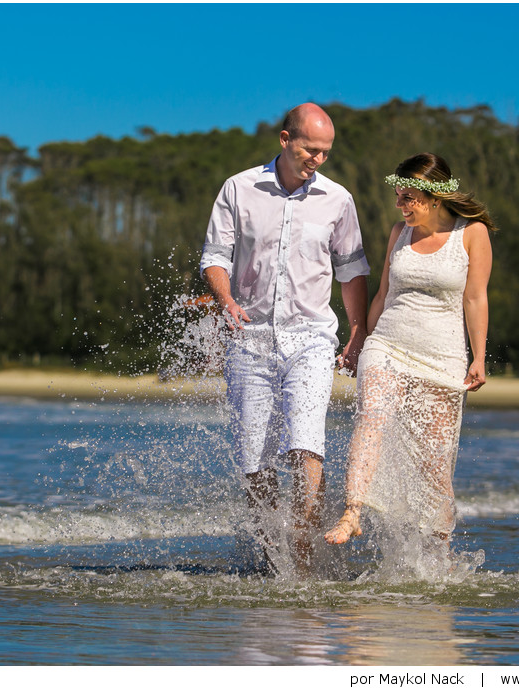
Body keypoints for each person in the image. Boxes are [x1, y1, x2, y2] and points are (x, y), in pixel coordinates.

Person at [199, 103, 371, 573]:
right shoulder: (239, 188)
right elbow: (214, 255)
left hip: (311, 338)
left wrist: (357, 332)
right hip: (249, 338)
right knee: (253, 458)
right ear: (284, 139)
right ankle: (270, 559)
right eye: (310, 149)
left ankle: (303, 558)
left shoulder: (338, 200)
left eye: (325, 152)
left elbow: (351, 271)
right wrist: (225, 299)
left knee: (305, 444)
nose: (317, 159)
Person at [324, 152, 495, 547]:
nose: (400, 205)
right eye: (398, 195)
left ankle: (438, 550)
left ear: (436, 198)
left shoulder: (472, 234)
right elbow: (384, 292)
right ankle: (352, 512)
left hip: (442, 357)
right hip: (388, 345)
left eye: (409, 198)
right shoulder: (398, 233)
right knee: (372, 416)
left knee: (434, 465)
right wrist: (360, 339)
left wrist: (479, 357)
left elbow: (475, 300)